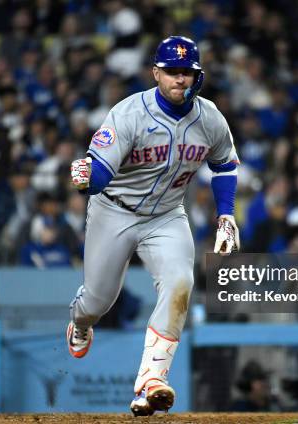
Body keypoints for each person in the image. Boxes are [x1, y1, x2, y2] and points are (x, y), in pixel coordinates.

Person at [66, 36, 240, 416]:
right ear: (156, 73)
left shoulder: (209, 117)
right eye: (172, 72)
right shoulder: (129, 114)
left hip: (166, 215)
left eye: (187, 72)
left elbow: (225, 165)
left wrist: (226, 215)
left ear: (198, 76)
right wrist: (86, 177)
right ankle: (80, 322)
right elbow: (99, 174)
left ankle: (151, 381)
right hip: (114, 210)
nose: (180, 79)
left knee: (181, 282)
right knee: (98, 301)